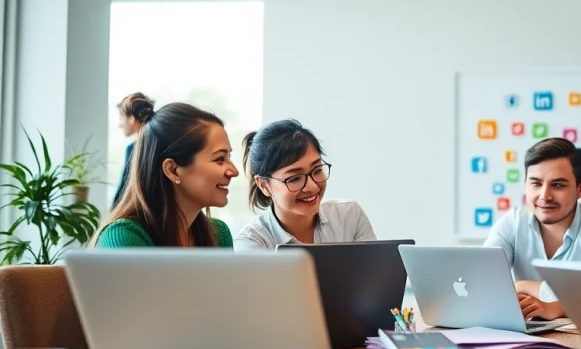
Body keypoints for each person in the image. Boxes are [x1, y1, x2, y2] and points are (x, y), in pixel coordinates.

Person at [484, 137, 581, 321]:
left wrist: (535, 293)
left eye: (558, 185)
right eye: (536, 183)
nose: (545, 196)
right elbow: (482, 283)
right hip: (519, 332)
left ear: (580, 188)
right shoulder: (512, 223)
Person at [94, 102, 238, 248]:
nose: (234, 171)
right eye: (220, 159)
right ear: (173, 170)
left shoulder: (219, 234)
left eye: (229, 157)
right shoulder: (123, 237)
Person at [234, 119, 375, 250]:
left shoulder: (349, 217)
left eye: (317, 170)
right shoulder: (252, 242)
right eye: (295, 178)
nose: (312, 186)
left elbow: (373, 268)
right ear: (264, 185)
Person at [111, 92, 155, 209]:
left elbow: (124, 187)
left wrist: (112, 212)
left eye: (121, 118)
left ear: (131, 119)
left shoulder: (134, 148)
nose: (120, 124)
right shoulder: (159, 143)